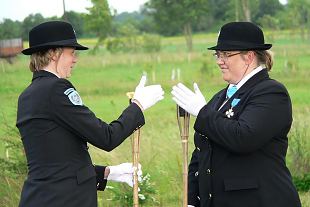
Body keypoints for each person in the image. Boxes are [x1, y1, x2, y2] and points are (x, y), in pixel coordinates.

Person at [16, 20, 164, 207]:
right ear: (54, 53)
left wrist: (108, 173)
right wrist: (138, 105)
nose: (75, 59)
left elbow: (55, 163)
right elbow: (106, 137)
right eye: (72, 53)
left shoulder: (27, 95)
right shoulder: (56, 88)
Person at [171, 22, 301, 207]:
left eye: (226, 54)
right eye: (218, 54)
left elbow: (244, 138)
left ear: (248, 57)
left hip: (260, 200)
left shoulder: (271, 92)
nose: (219, 60)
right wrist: (193, 200)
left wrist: (202, 112)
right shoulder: (220, 97)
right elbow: (201, 151)